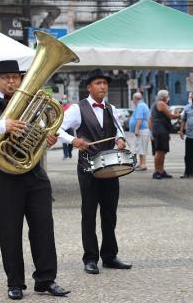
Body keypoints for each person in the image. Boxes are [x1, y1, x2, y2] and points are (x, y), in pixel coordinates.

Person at [0, 60, 70, 300]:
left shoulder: (33, 102)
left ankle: (46, 280)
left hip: (33, 174)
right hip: (2, 177)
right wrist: (4, 125)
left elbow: (44, 128)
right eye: (6, 77)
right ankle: (15, 283)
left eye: (15, 76)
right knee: (9, 231)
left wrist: (47, 138)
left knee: (44, 227)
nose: (11, 81)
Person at [57, 69, 132, 275]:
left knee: (110, 213)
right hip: (88, 167)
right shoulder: (76, 108)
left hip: (111, 168)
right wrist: (74, 140)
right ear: (89, 87)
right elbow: (56, 128)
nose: (103, 87)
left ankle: (109, 255)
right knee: (89, 213)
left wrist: (120, 139)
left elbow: (118, 129)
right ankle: (90, 258)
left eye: (105, 83)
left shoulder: (111, 108)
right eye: (98, 83)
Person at [148, 89, 180, 179]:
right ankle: (156, 171)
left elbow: (150, 119)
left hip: (162, 130)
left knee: (163, 151)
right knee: (159, 151)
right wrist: (178, 114)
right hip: (160, 130)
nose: (168, 97)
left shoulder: (156, 104)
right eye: (168, 95)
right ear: (164, 97)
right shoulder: (161, 103)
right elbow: (171, 115)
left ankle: (161, 170)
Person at [128, 92, 150, 171]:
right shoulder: (142, 105)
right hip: (142, 129)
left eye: (133, 99)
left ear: (135, 99)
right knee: (140, 147)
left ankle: (143, 165)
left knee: (141, 147)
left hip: (141, 129)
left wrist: (136, 129)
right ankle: (141, 164)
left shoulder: (140, 106)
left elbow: (139, 118)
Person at [61, 94, 74, 159]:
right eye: (63, 99)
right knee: (64, 141)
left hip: (70, 127)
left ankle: (70, 151)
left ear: (67, 99)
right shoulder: (60, 107)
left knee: (71, 141)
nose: (64, 100)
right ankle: (65, 154)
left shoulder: (70, 107)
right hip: (63, 127)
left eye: (65, 99)